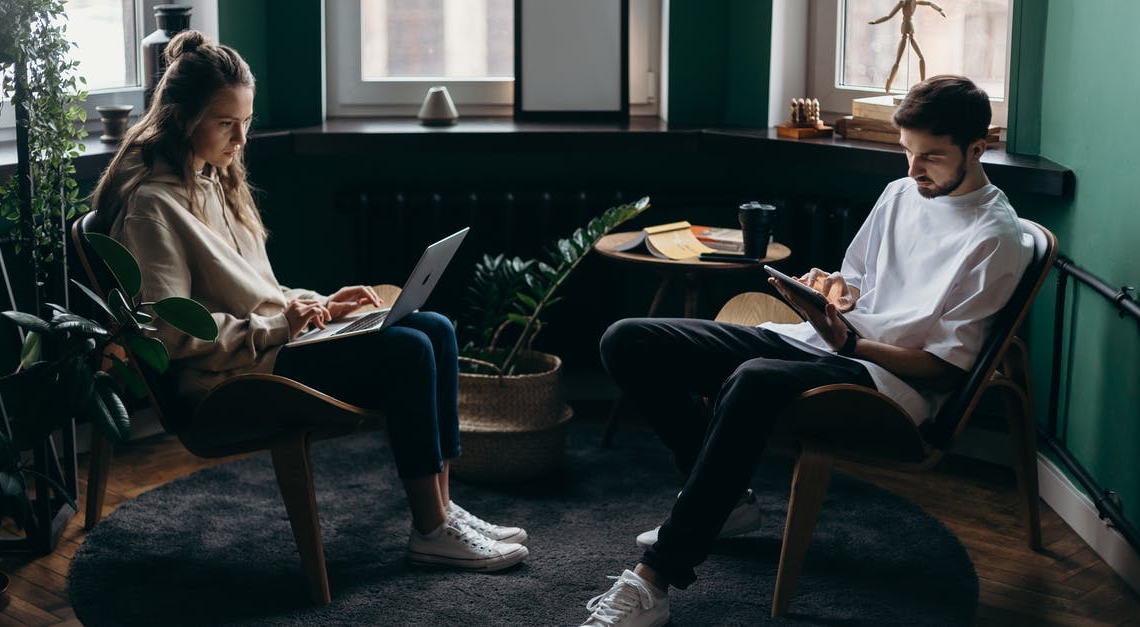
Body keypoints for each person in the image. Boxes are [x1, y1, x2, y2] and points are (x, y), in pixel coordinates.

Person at [581, 75, 1032, 625]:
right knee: (628, 340)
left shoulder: (995, 238)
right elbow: (860, 279)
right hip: (827, 340)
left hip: (890, 383)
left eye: (931, 158)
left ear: (977, 149)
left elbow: (943, 372)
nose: (913, 172)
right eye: (907, 153)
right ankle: (730, 506)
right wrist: (827, 289)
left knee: (754, 378)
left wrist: (854, 342)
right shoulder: (900, 193)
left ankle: (657, 576)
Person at [91, 30, 529, 572]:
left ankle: (444, 509)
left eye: (246, 121)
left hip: (272, 349)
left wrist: (323, 304)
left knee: (434, 326)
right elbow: (170, 336)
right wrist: (279, 326)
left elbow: (257, 292)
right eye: (226, 123)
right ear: (182, 118)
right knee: (408, 352)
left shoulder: (213, 179)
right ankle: (430, 529)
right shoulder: (152, 208)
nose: (241, 139)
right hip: (234, 379)